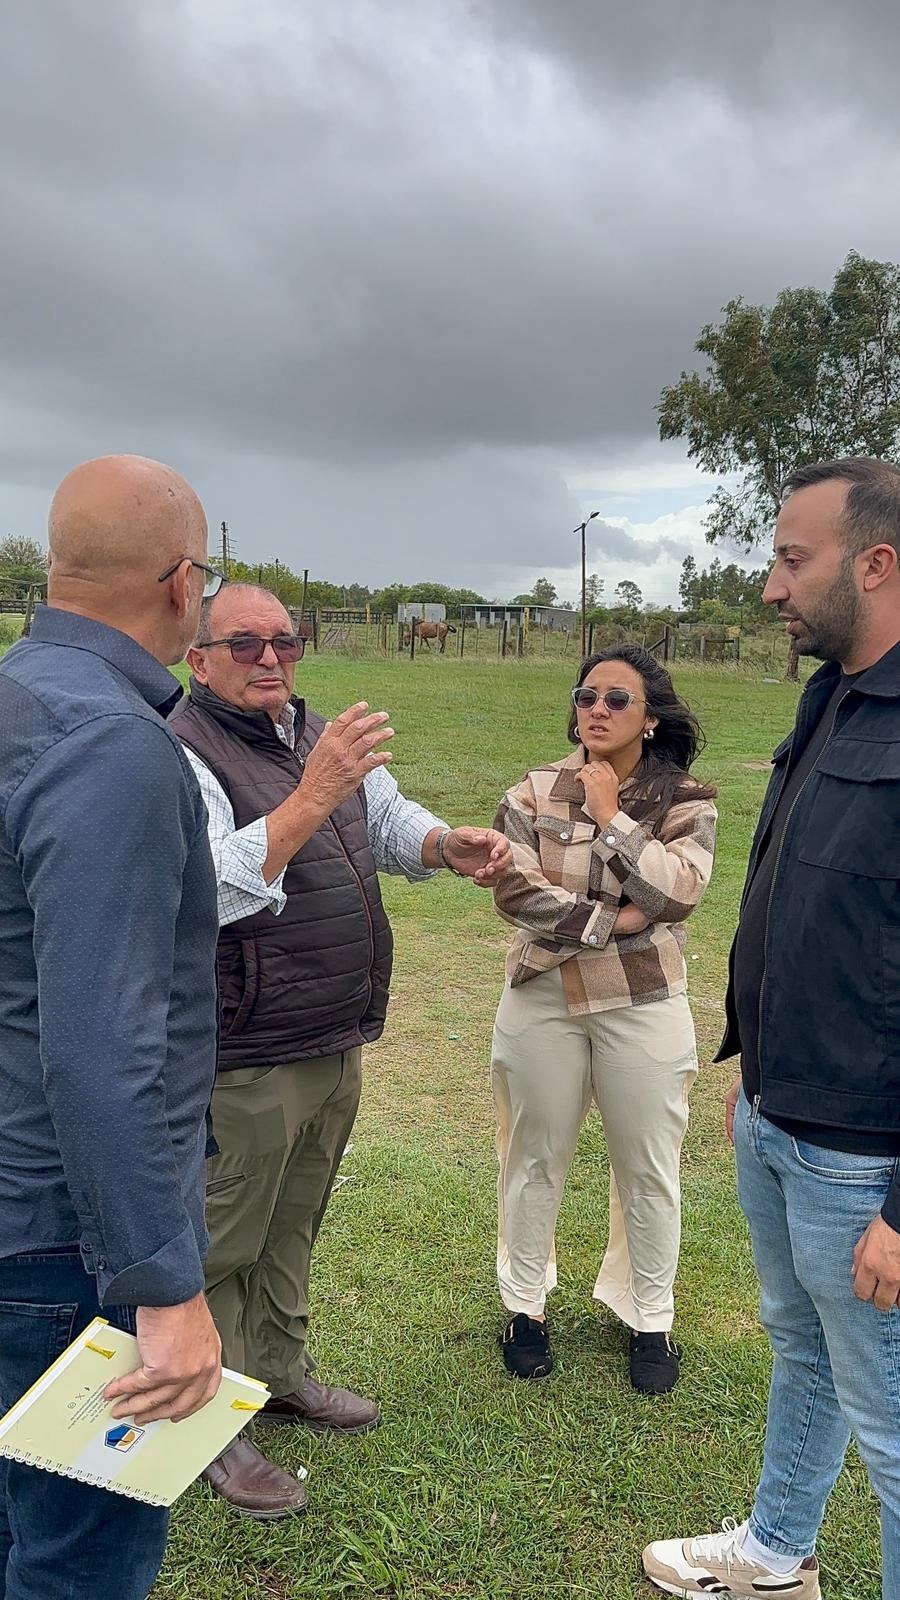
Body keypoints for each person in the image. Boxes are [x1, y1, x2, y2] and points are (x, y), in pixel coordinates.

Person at [170, 581, 511, 1519]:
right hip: (247, 1047)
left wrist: (440, 843)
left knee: (295, 1219)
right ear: (198, 660)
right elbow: (207, 889)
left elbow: (383, 818)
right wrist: (313, 791)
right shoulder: (181, 751)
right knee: (223, 1241)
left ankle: (278, 1375)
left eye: (285, 640)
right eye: (245, 643)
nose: (271, 657)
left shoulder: (314, 734)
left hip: (331, 1030)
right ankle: (210, 1422)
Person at [643, 458, 900, 1600]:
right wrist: (757, 1068)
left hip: (867, 1158)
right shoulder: (833, 692)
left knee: (894, 1433)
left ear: (876, 564)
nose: (769, 587)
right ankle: (775, 1553)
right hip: (780, 1109)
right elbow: (805, 899)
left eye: (793, 559)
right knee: (800, 1349)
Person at [0, 457, 224, 1600]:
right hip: (64, 1235)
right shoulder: (111, 741)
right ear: (183, 583)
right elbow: (100, 1044)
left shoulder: (18, 696)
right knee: (79, 1558)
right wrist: (161, 1285)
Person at [489, 645, 717, 1394]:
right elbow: (514, 892)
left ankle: (651, 1318)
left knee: (648, 1168)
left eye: (618, 699)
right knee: (532, 1157)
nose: (597, 709)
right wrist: (611, 922)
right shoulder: (531, 792)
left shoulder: (685, 800)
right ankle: (525, 1307)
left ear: (650, 718)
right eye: (587, 696)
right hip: (543, 996)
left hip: (643, 999)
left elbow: (677, 893)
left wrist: (612, 817)